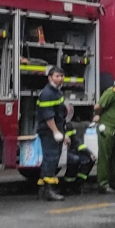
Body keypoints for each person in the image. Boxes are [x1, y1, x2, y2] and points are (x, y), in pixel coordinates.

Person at [35, 66, 72, 201]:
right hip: (49, 131)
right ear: (50, 77)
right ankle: (48, 191)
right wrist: (56, 132)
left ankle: (43, 190)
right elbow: (48, 116)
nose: (60, 78)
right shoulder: (47, 93)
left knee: (52, 159)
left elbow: (60, 115)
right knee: (51, 159)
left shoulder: (57, 92)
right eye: (57, 76)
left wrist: (63, 133)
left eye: (62, 76)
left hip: (56, 130)